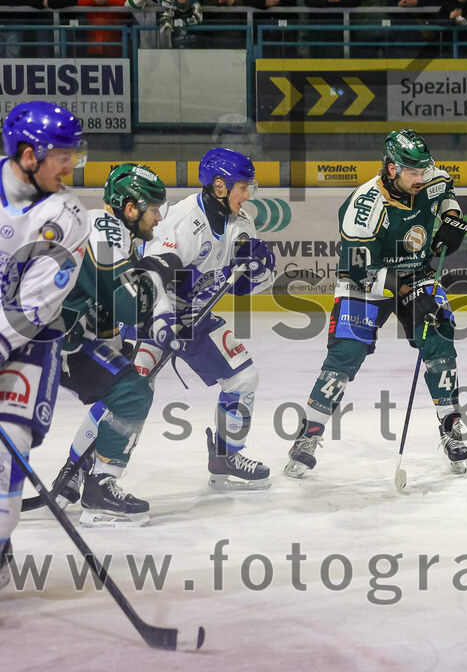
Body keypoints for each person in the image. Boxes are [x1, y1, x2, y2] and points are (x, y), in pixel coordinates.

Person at [284, 129, 467, 479]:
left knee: (439, 333)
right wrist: (406, 294)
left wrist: (451, 220)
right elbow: (360, 269)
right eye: (413, 172)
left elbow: (447, 195)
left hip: (416, 272)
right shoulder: (363, 207)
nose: (421, 177)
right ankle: (308, 435)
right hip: (367, 281)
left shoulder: (433, 179)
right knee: (345, 354)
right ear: (391, 169)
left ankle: (451, 426)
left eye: (424, 170)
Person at [129, 147, 275, 489]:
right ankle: (86, 470)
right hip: (150, 315)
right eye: (243, 187)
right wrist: (164, 322)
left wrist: (257, 271)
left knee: (243, 378)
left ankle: (225, 458)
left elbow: (241, 288)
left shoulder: (242, 222)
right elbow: (153, 276)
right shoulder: (181, 220)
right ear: (220, 186)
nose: (248, 194)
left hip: (195, 316)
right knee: (129, 392)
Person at [0, 101, 90, 590]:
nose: (71, 165)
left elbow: (35, 305)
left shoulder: (69, 215)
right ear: (29, 154)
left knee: (7, 450)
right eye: (62, 155)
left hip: (27, 345)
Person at [49, 164, 168, 527]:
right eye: (153, 209)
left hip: (57, 333)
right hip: (49, 339)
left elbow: (98, 299)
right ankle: (100, 488)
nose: (159, 218)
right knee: (131, 390)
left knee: (118, 386)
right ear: (130, 209)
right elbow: (127, 303)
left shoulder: (104, 229)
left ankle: (76, 473)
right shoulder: (105, 228)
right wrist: (155, 278)